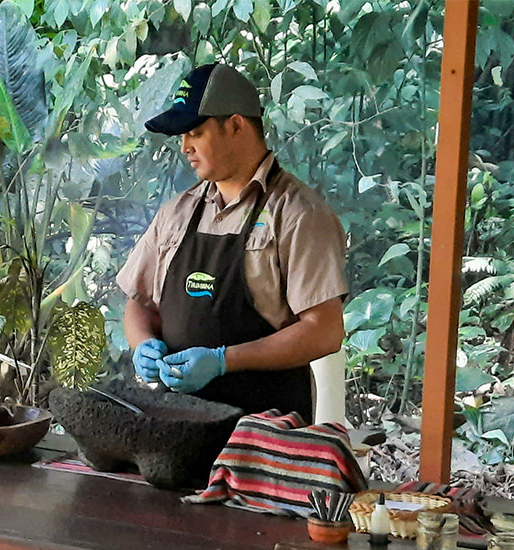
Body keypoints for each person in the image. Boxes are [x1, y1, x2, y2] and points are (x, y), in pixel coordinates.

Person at [118, 63, 347, 421]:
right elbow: (139, 303)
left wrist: (224, 360)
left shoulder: (299, 214)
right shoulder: (177, 213)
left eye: (195, 132)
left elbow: (325, 331)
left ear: (236, 125)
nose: (184, 147)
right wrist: (142, 343)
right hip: (178, 427)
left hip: (265, 433)